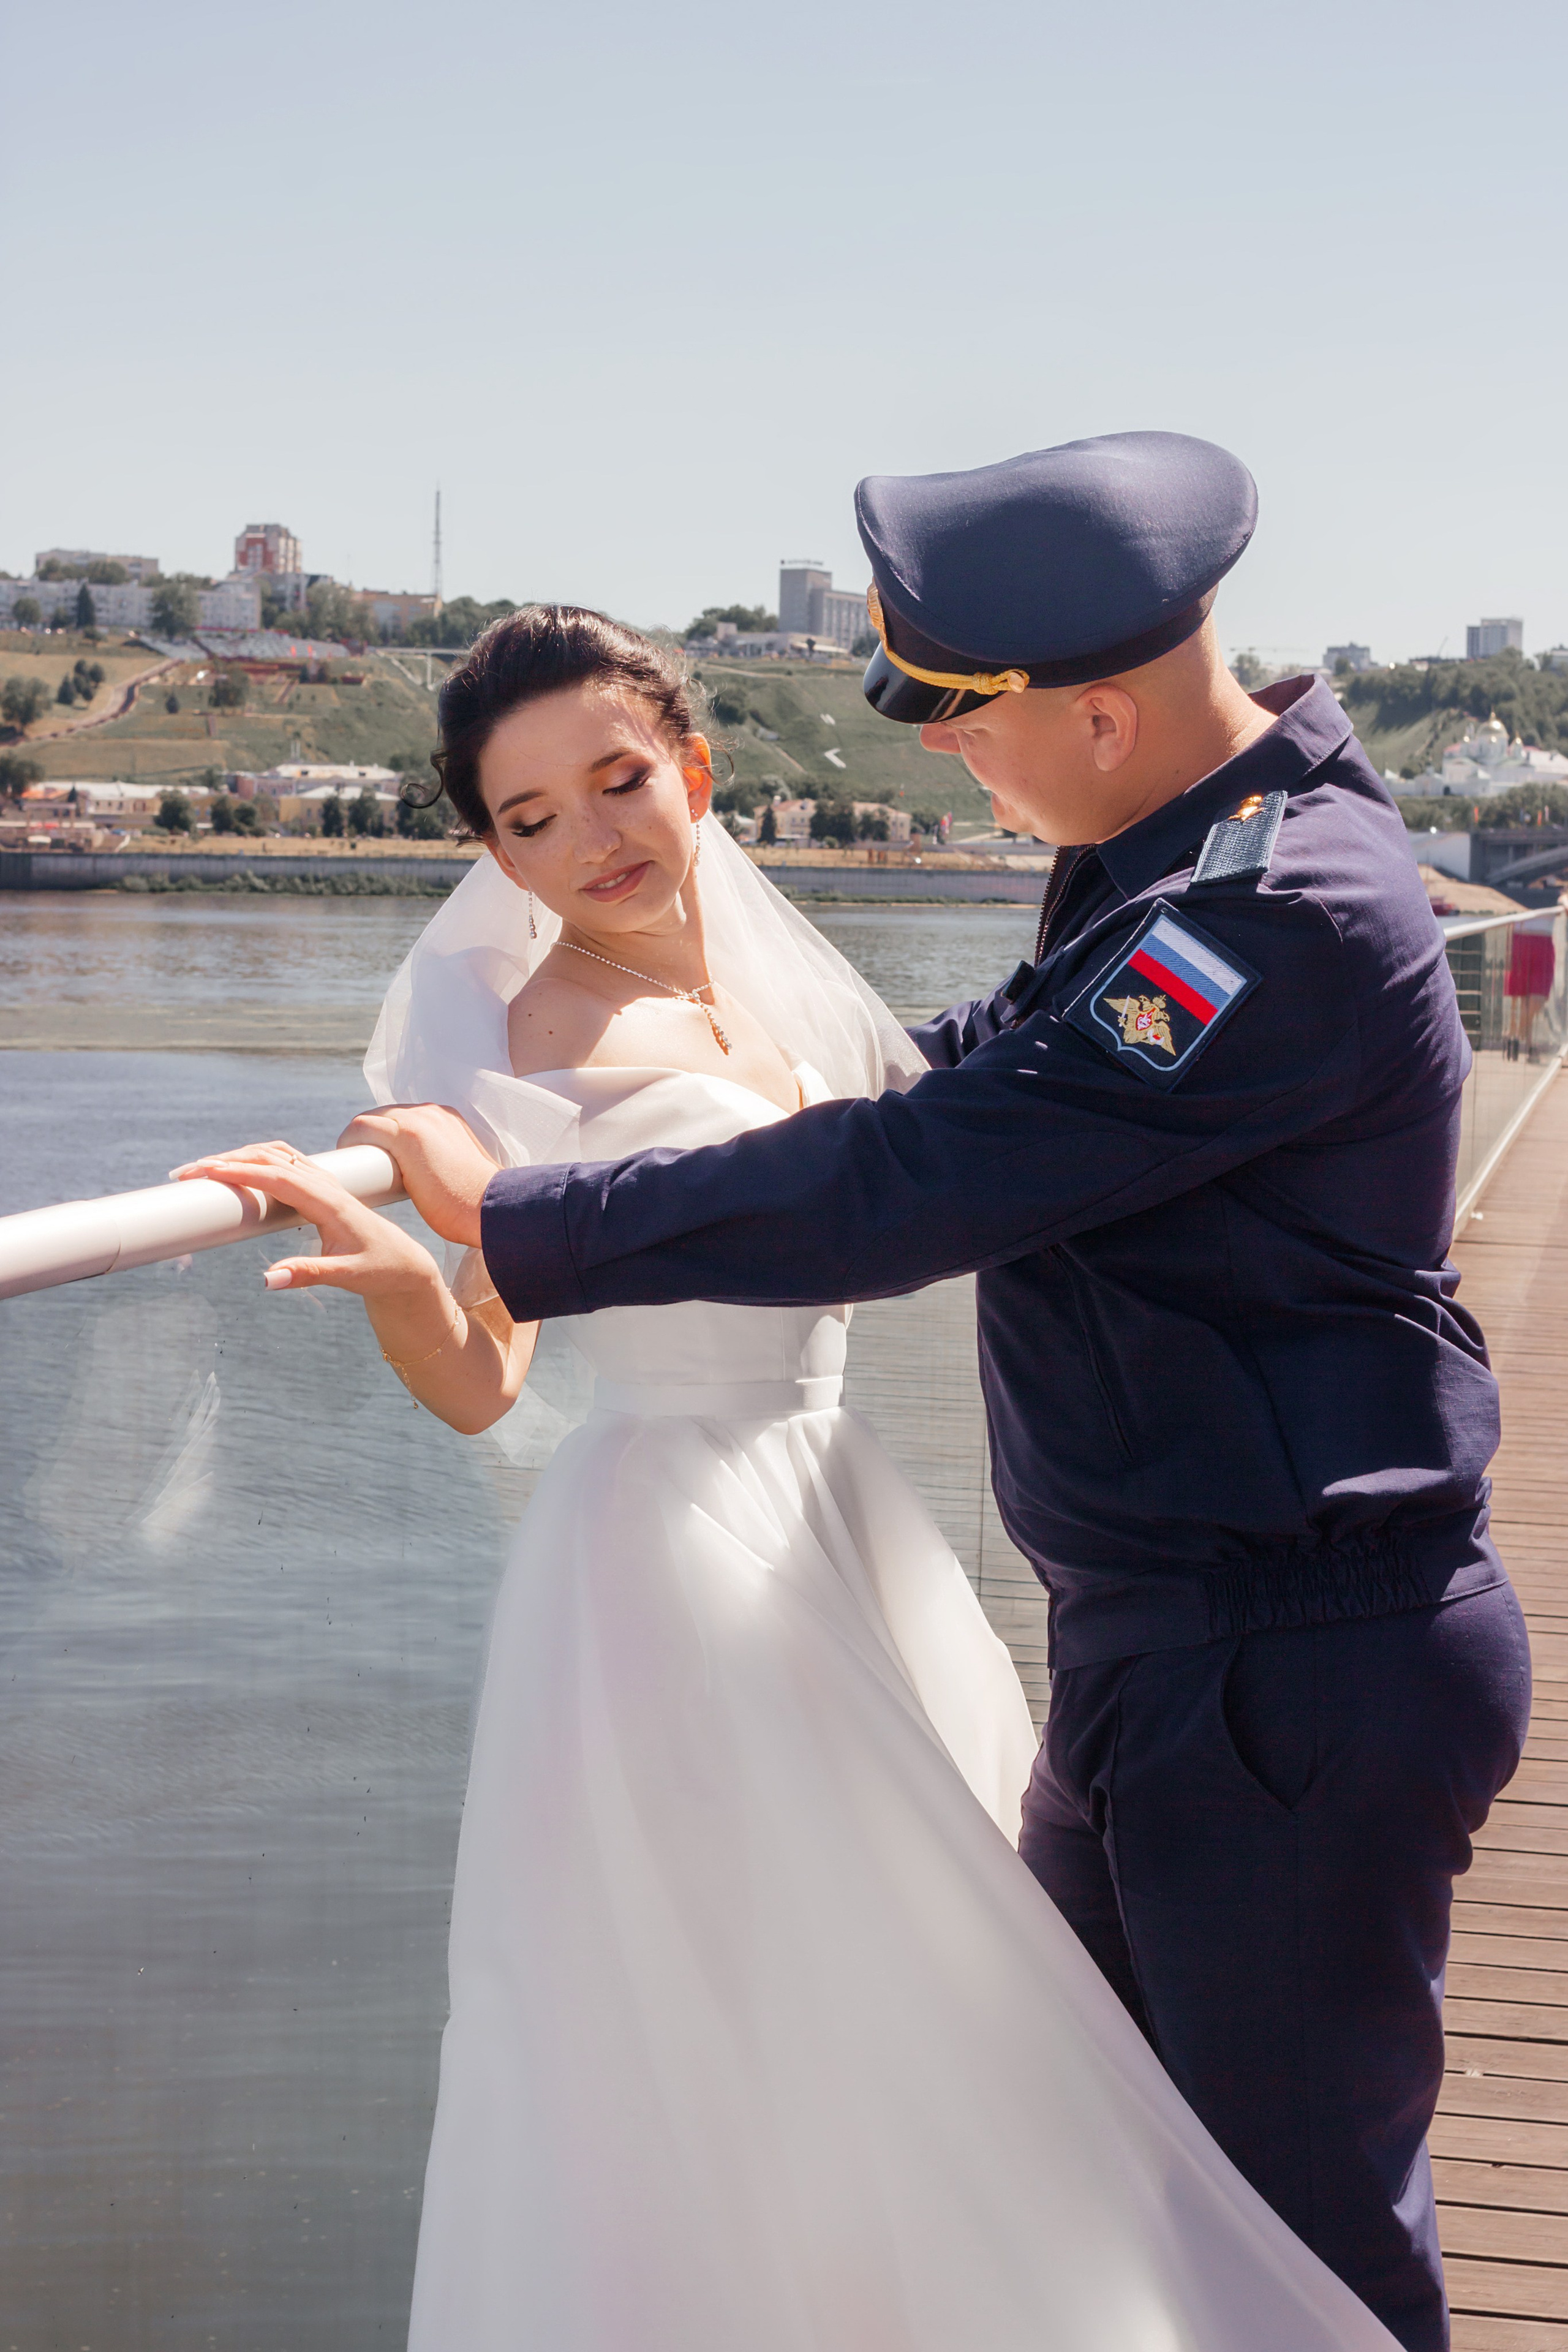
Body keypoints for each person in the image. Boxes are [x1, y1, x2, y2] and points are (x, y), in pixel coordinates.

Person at [363, 444, 1532, 2352]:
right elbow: (952, 1084)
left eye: (971, 726)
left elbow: (932, 1174)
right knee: (1099, 2192)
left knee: (1305, 2250)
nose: (956, 765)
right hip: (1183, 1648)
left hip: (1292, 1668)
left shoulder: (1264, 917)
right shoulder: (1173, 867)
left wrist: (525, 1214)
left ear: (1097, 714)